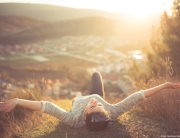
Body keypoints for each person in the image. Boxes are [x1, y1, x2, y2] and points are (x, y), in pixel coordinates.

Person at [0, 71, 180, 131]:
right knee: (96, 75)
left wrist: (17, 100)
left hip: (77, 100)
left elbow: (46, 107)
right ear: (106, 111)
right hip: (96, 91)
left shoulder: (73, 120)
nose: (94, 103)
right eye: (99, 106)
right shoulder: (112, 111)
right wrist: (164, 85)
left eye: (92, 107)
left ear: (85, 115)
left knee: (86, 87)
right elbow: (138, 96)